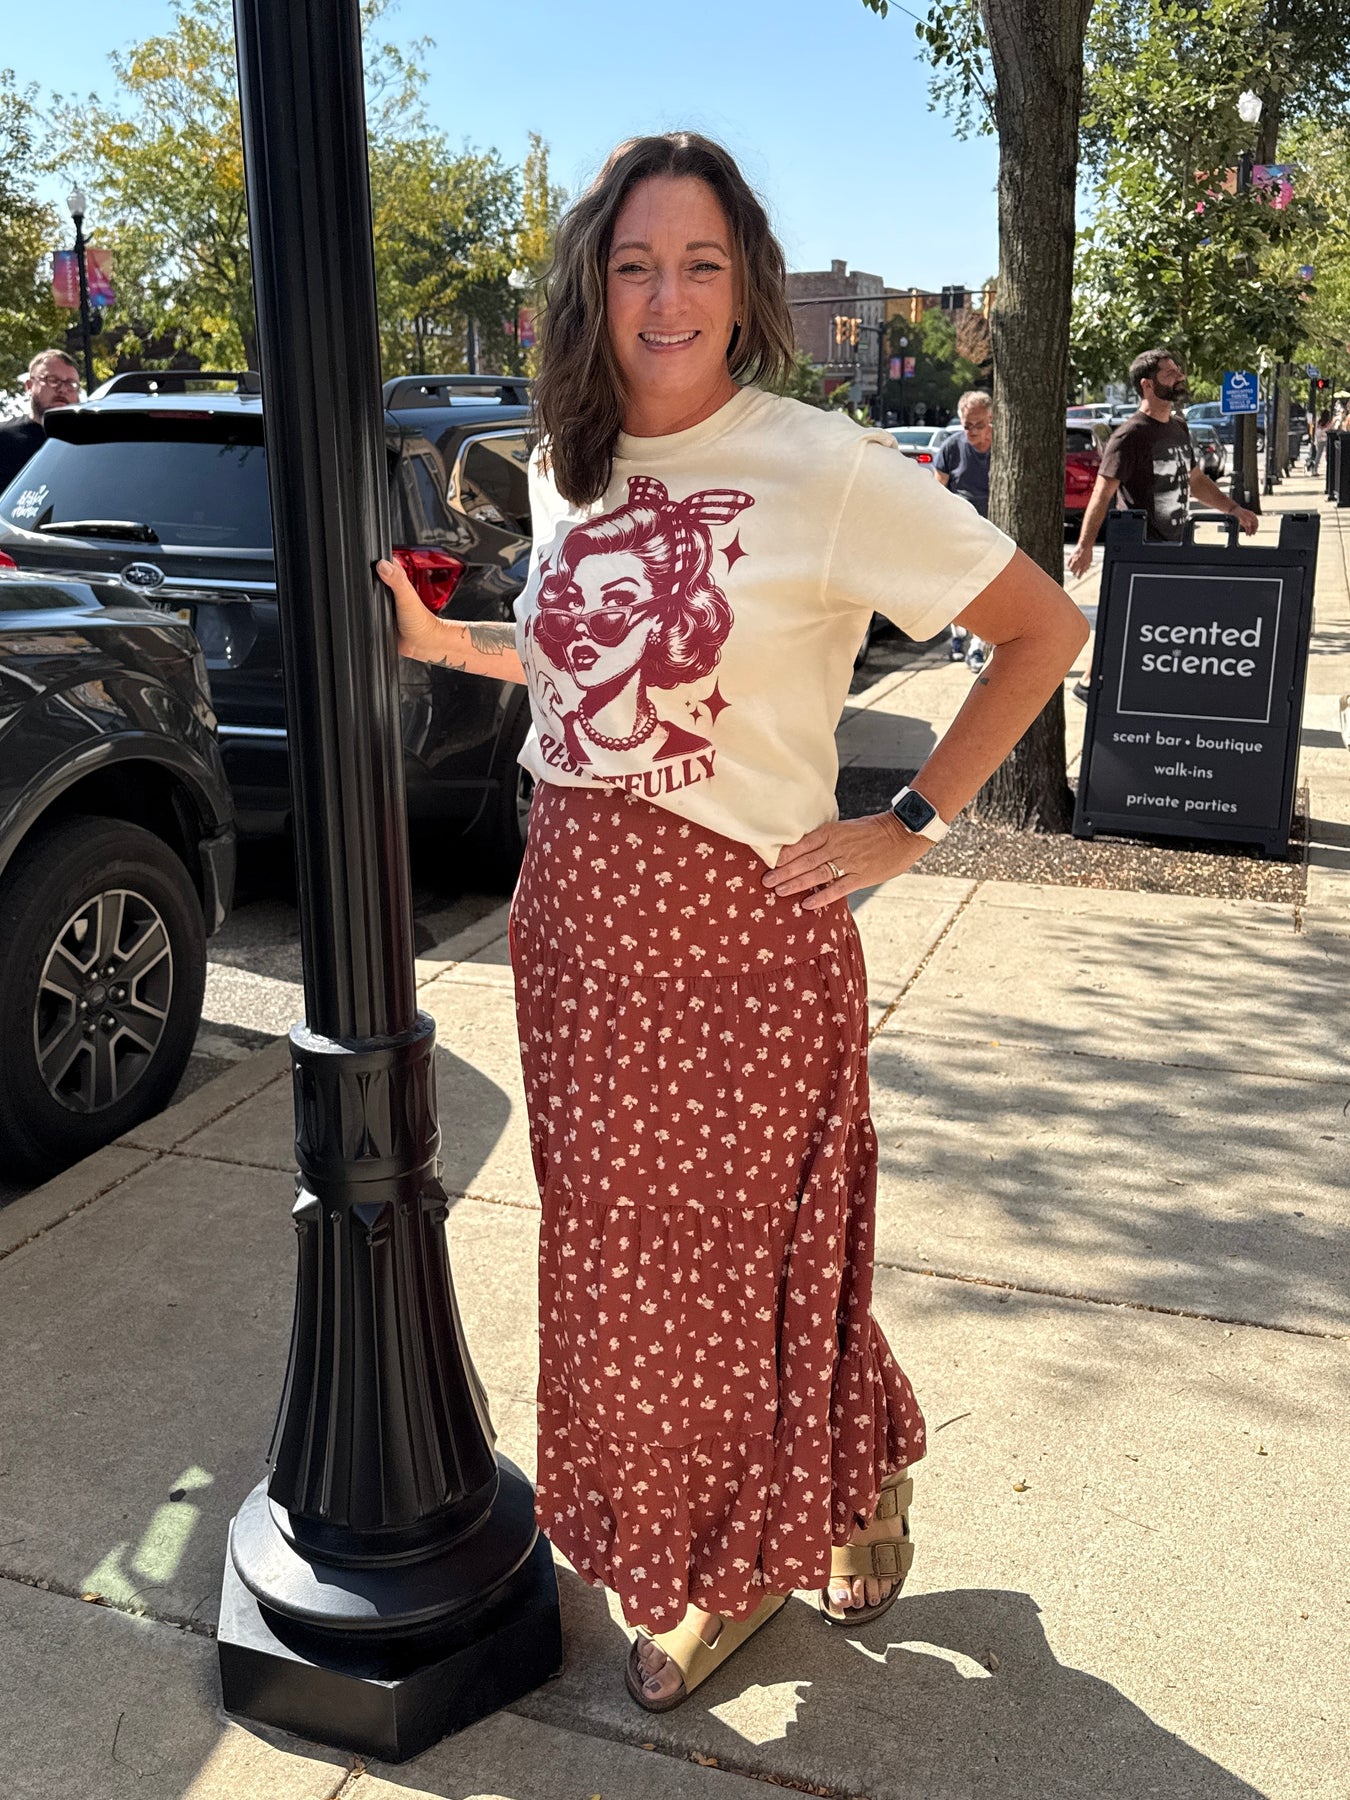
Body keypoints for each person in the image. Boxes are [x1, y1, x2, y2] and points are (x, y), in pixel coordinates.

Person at [378, 131, 1087, 1713]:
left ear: (746, 288)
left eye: (698, 264)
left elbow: (1043, 628)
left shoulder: (821, 465)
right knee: (632, 1273)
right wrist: (446, 643)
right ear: (592, 286)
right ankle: (850, 1474)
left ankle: (723, 1567)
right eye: (634, 264)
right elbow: (582, 669)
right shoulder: (566, 465)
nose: (666, 296)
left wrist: (909, 823)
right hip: (574, 931)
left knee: (720, 1281)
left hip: (740, 945)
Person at [1066, 349, 1257, 581]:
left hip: (1177, 548)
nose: (1180, 377)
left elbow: (1195, 479)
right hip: (1142, 553)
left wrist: (1233, 509)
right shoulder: (1129, 436)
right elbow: (1102, 494)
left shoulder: (1178, 427)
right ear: (1147, 385)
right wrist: (1085, 546)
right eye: (1169, 374)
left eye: (1178, 372)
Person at [933, 389, 993, 670]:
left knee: (986, 592)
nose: (973, 431)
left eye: (979, 424)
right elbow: (937, 492)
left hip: (993, 534)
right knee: (957, 591)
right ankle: (958, 635)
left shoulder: (1004, 447)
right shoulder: (951, 448)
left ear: (991, 418)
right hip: (959, 534)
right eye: (967, 425)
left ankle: (977, 646)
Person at [0, 351, 81, 492]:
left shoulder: (89, 443)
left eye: (71, 384)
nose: (62, 389)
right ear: (29, 386)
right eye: (52, 380)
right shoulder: (4, 439)